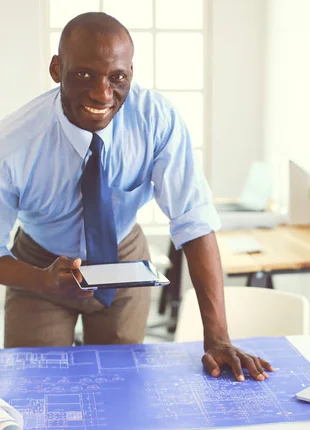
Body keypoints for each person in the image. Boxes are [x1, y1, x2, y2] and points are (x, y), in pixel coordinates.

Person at [0, 12, 272, 382]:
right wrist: (45, 280)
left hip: (123, 257)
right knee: (36, 389)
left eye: (117, 77)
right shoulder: (14, 143)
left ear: (130, 73)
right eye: (83, 74)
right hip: (39, 264)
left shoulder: (156, 120)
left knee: (120, 386)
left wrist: (218, 338)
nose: (101, 93)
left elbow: (193, 220)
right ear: (56, 68)